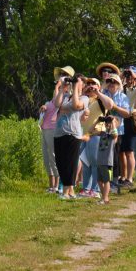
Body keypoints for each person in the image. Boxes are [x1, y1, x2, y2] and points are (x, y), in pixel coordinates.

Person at [52, 66, 89, 200]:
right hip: (59, 133)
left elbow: (75, 106)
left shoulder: (84, 98)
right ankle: (69, 190)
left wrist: (77, 89)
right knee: (60, 162)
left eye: (78, 82)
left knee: (71, 162)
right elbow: (56, 104)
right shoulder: (65, 96)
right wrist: (62, 88)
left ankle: (67, 191)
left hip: (73, 134)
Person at [101, 73, 130, 194]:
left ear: (119, 84)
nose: (112, 84)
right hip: (102, 130)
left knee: (115, 157)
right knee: (103, 157)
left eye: (114, 82)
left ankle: (115, 182)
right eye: (110, 82)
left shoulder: (123, 96)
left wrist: (115, 107)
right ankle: (103, 181)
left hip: (118, 131)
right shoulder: (103, 94)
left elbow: (127, 114)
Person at [78, 78, 106, 198]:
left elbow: (110, 105)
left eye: (93, 84)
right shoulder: (84, 100)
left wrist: (98, 92)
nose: (90, 86)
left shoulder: (101, 100)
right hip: (84, 136)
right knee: (85, 163)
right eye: (88, 84)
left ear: (99, 86)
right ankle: (86, 189)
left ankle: (95, 190)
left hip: (96, 135)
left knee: (95, 163)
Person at [120, 65, 136, 188]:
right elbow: (115, 85)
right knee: (123, 151)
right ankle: (124, 177)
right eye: (128, 75)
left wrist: (135, 77)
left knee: (130, 151)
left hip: (132, 121)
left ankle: (129, 178)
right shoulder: (123, 88)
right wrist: (122, 75)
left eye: (131, 75)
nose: (129, 77)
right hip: (123, 120)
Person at [96, 116, 119, 205]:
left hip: (107, 162)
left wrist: (113, 121)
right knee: (99, 180)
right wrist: (98, 121)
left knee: (106, 180)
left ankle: (105, 198)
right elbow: (91, 131)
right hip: (100, 161)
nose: (107, 124)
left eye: (109, 123)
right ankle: (104, 197)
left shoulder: (113, 136)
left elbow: (115, 133)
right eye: (107, 123)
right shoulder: (103, 133)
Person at [38, 98, 60, 193]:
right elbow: (42, 112)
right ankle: (51, 185)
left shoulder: (62, 100)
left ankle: (57, 185)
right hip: (44, 129)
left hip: (53, 130)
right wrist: (42, 108)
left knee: (53, 156)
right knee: (46, 157)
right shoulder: (48, 102)